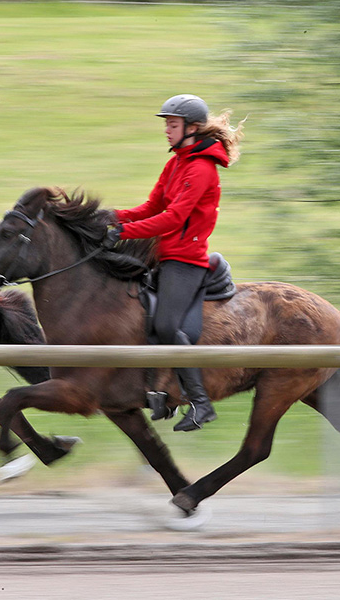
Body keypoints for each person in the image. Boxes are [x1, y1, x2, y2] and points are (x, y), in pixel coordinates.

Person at [104, 94, 244, 431]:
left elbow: (173, 218)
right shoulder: (177, 163)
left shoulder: (201, 169)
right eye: (166, 124)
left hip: (186, 261)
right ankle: (158, 391)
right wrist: (107, 217)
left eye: (172, 124)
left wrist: (123, 232)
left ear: (192, 128)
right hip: (164, 257)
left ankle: (199, 402)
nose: (166, 130)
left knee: (167, 326)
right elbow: (150, 207)